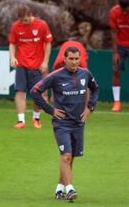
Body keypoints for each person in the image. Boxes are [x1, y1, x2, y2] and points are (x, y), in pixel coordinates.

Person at [31, 47, 99, 202]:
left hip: (79, 122)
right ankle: (70, 189)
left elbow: (95, 90)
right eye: (71, 59)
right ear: (65, 59)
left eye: (77, 59)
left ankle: (59, 190)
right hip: (62, 123)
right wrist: (50, 110)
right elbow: (35, 91)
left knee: (70, 158)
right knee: (65, 156)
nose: (74, 62)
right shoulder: (56, 76)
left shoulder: (85, 74)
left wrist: (90, 107)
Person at [9, 4, 52, 129]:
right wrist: (13, 57)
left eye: (26, 20)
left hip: (37, 66)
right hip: (22, 64)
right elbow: (12, 43)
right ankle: (21, 120)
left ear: (30, 14)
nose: (24, 22)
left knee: (36, 93)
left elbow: (48, 43)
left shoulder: (42, 25)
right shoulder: (16, 26)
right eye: (22, 20)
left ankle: (36, 118)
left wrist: (45, 62)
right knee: (20, 91)